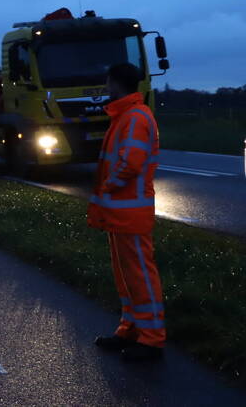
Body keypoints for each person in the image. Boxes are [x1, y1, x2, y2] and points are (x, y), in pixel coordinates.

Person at [89, 62, 165, 361]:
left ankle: (152, 339)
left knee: (140, 275)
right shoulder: (128, 115)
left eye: (107, 81)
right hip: (121, 213)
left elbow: (130, 163)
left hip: (128, 212)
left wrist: (109, 186)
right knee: (127, 277)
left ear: (114, 82)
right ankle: (131, 330)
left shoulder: (134, 117)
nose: (106, 87)